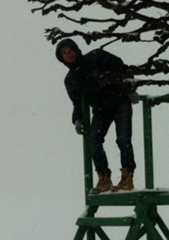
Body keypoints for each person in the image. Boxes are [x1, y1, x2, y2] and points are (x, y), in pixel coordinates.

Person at [55, 38, 138, 194]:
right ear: (61, 58)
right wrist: (78, 119)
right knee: (93, 141)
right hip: (101, 110)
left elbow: (121, 66)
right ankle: (104, 178)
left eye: (70, 50)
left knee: (124, 139)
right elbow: (77, 103)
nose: (68, 54)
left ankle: (127, 178)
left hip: (120, 101)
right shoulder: (71, 79)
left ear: (75, 49)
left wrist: (130, 88)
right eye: (64, 53)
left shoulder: (96, 56)